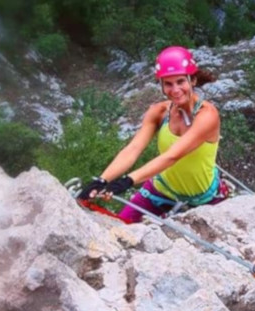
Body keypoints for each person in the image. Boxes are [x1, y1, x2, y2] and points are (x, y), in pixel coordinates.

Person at [78, 46, 227, 222]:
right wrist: (102, 180)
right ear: (162, 85)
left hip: (205, 197)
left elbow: (173, 155)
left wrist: (128, 181)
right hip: (161, 189)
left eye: (181, 81)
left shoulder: (207, 115)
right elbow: (132, 149)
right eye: (168, 84)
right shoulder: (159, 112)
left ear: (192, 80)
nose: (175, 90)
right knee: (120, 227)